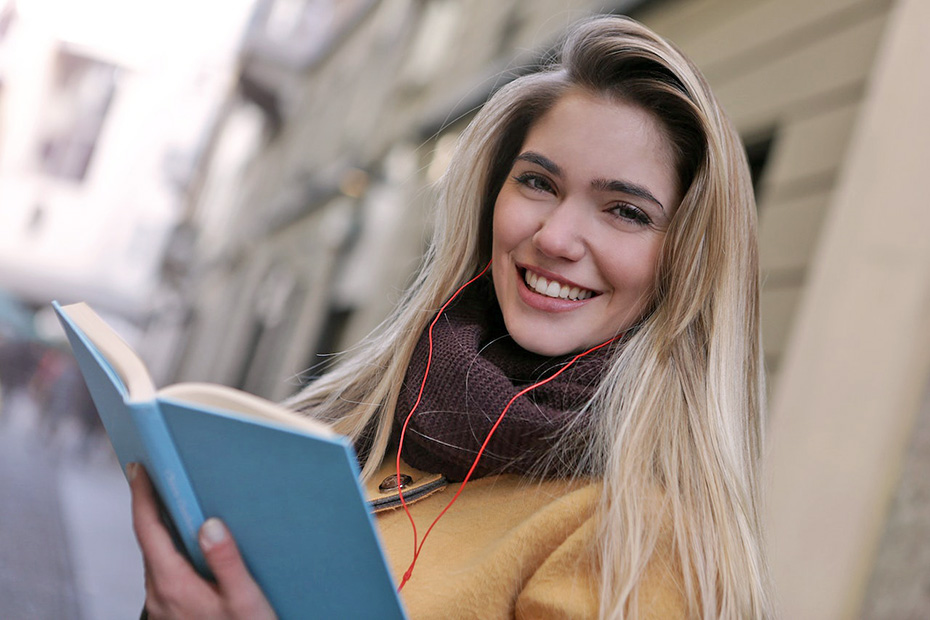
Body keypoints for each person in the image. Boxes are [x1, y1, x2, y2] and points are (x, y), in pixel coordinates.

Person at [129, 15, 773, 619]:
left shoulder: (644, 537)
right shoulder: (365, 420)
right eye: (538, 183)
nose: (555, 238)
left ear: (687, 264)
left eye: (625, 212)